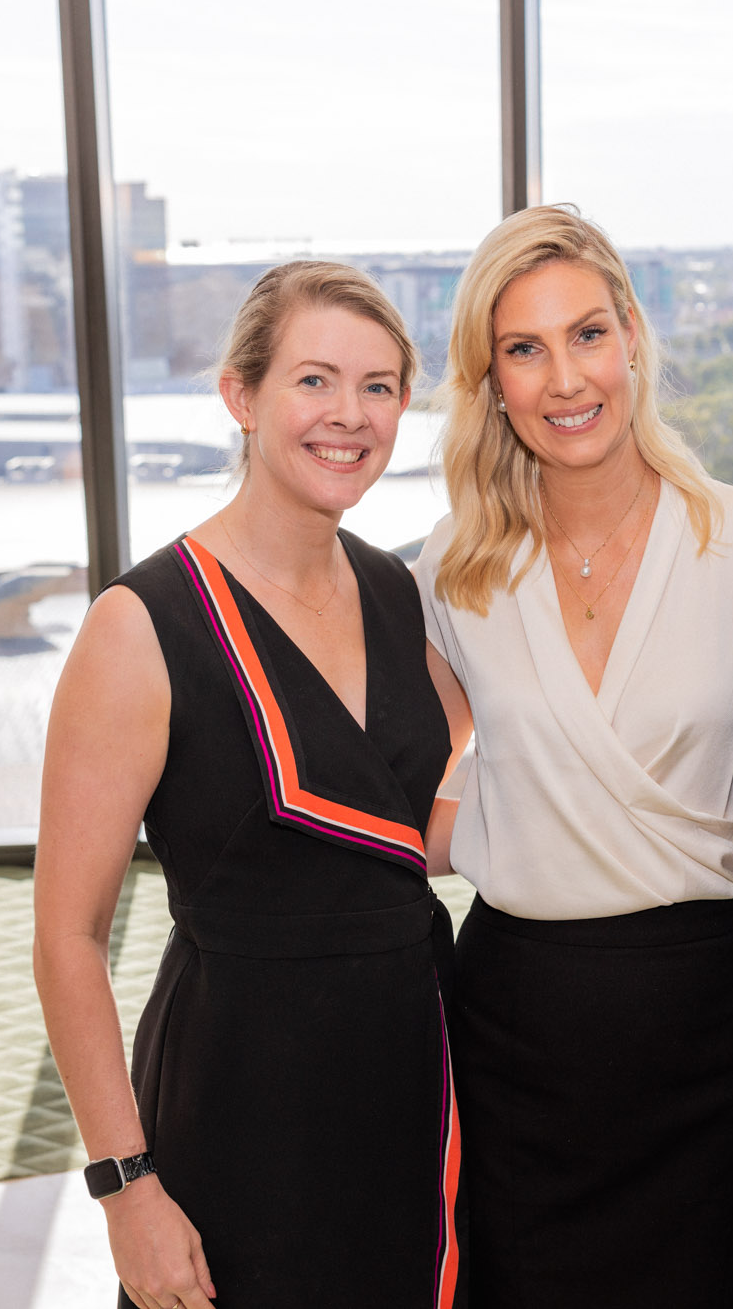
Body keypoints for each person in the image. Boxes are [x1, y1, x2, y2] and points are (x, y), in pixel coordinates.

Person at [33, 262, 461, 1309]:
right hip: (237, 1095)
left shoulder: (395, 590)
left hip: (412, 1077)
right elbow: (67, 938)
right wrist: (126, 1187)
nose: (349, 415)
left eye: (377, 386)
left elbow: (414, 825)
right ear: (241, 395)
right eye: (314, 380)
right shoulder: (141, 624)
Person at [415, 204, 733, 1307]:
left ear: (631, 335)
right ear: (490, 381)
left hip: (707, 1024)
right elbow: (428, 778)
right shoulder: (453, 568)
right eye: (524, 349)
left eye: (586, 334)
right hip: (518, 1030)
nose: (565, 378)